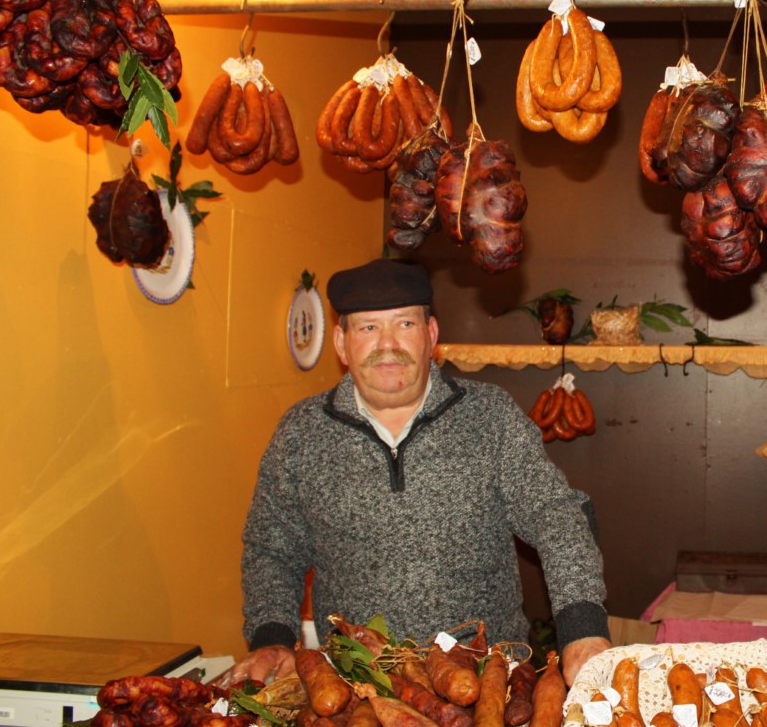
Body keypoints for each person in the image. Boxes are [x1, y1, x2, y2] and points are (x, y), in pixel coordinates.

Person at [221, 259, 612, 687]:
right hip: (355, 686)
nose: (387, 344)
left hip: (489, 683)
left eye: (405, 324)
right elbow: (271, 549)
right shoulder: (301, 432)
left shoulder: (491, 417)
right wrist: (272, 635)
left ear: (431, 335)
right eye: (368, 328)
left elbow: (556, 517)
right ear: (341, 342)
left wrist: (583, 628)